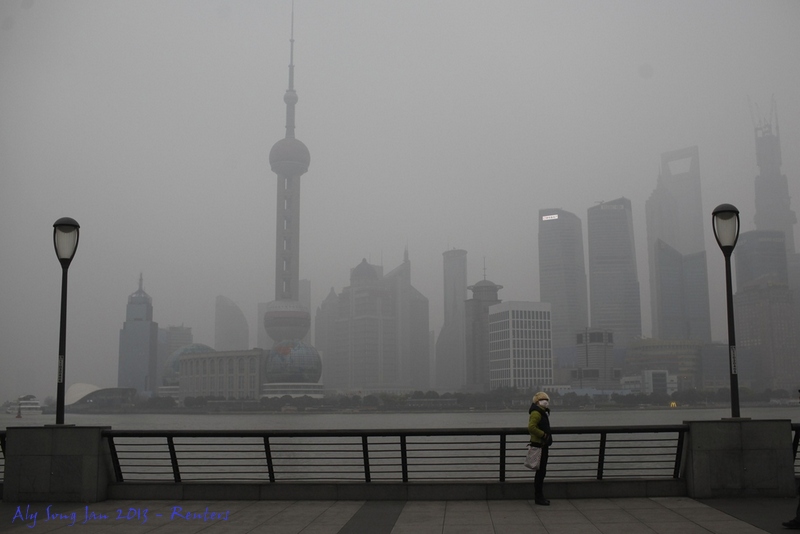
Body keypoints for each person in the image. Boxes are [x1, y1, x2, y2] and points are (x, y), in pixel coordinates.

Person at [528, 391, 553, 505]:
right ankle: (538, 497)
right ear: (537, 402)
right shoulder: (536, 413)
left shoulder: (542, 412)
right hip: (539, 445)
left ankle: (539, 496)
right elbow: (531, 427)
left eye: (546, 400)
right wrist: (543, 435)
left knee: (541, 471)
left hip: (543, 444)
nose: (545, 402)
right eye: (543, 400)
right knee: (540, 471)